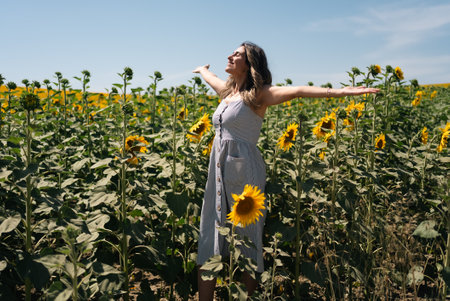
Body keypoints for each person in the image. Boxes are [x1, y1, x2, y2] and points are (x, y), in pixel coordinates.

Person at [193, 41, 379, 300]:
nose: (229, 55)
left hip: (244, 170)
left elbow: (299, 91)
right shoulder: (227, 92)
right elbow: (211, 78)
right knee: (210, 235)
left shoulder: (259, 94)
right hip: (218, 171)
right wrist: (202, 70)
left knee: (246, 238)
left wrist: (341, 92)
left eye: (236, 54)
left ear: (249, 64)